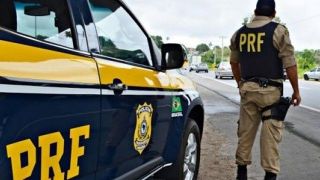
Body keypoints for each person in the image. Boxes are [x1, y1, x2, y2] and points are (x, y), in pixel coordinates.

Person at [229, 0, 301, 180]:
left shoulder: (240, 33)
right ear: (273, 13)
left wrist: (240, 84)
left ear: (255, 11)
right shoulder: (278, 30)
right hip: (270, 93)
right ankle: (270, 176)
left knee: (245, 133)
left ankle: (241, 173)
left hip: (248, 91)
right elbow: (290, 63)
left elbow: (234, 62)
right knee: (271, 136)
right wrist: (296, 91)